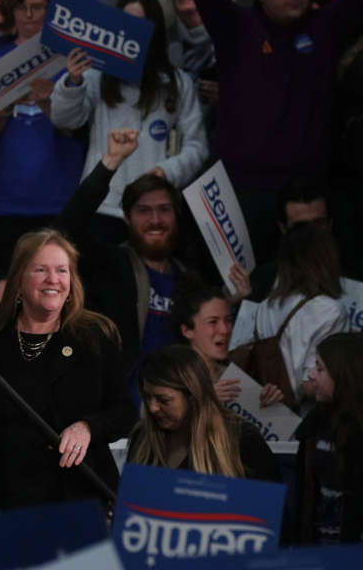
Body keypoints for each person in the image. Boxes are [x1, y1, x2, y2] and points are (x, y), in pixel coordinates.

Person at [195, 0, 363, 257]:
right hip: (245, 190)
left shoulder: (324, 28)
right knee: (249, 295)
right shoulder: (238, 28)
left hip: (310, 194)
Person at [54, 129, 248, 393]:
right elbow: (66, 230)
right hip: (125, 412)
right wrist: (110, 162)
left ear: (176, 216)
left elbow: (210, 338)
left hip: (183, 408)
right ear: (126, 218)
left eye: (164, 210)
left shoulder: (190, 277)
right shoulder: (112, 264)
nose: (155, 220)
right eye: (144, 211)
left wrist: (231, 300)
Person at [0, 230, 135, 511]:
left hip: (78, 498)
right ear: (19, 278)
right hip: (8, 499)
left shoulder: (96, 336)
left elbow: (124, 411)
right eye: (41, 269)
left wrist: (88, 427)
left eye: (62, 270)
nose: (53, 279)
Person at [49, 0, 208, 232]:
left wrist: (167, 172)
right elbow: (65, 120)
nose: (131, 31)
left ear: (154, 30)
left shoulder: (178, 82)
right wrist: (73, 81)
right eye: (125, 23)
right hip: (104, 206)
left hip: (155, 207)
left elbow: (197, 147)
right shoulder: (96, 75)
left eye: (140, 24)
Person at [0, 0, 85, 273]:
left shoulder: (70, 61)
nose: (29, 15)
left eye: (38, 7)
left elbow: (75, 128)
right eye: (22, 7)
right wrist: (4, 108)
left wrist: (50, 102)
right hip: (0, 203)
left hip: (58, 201)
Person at [128, 345, 281, 481]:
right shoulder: (142, 437)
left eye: (163, 400)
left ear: (193, 396)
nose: (152, 407)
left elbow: (267, 508)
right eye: (147, 397)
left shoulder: (241, 439)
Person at [251, 223, 348, 410]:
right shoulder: (329, 310)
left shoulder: (266, 305)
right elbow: (310, 385)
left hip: (265, 413)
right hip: (304, 418)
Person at [294, 333, 363, 543]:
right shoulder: (315, 423)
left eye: (320, 368)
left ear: (344, 375)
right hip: (316, 551)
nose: (312, 375)